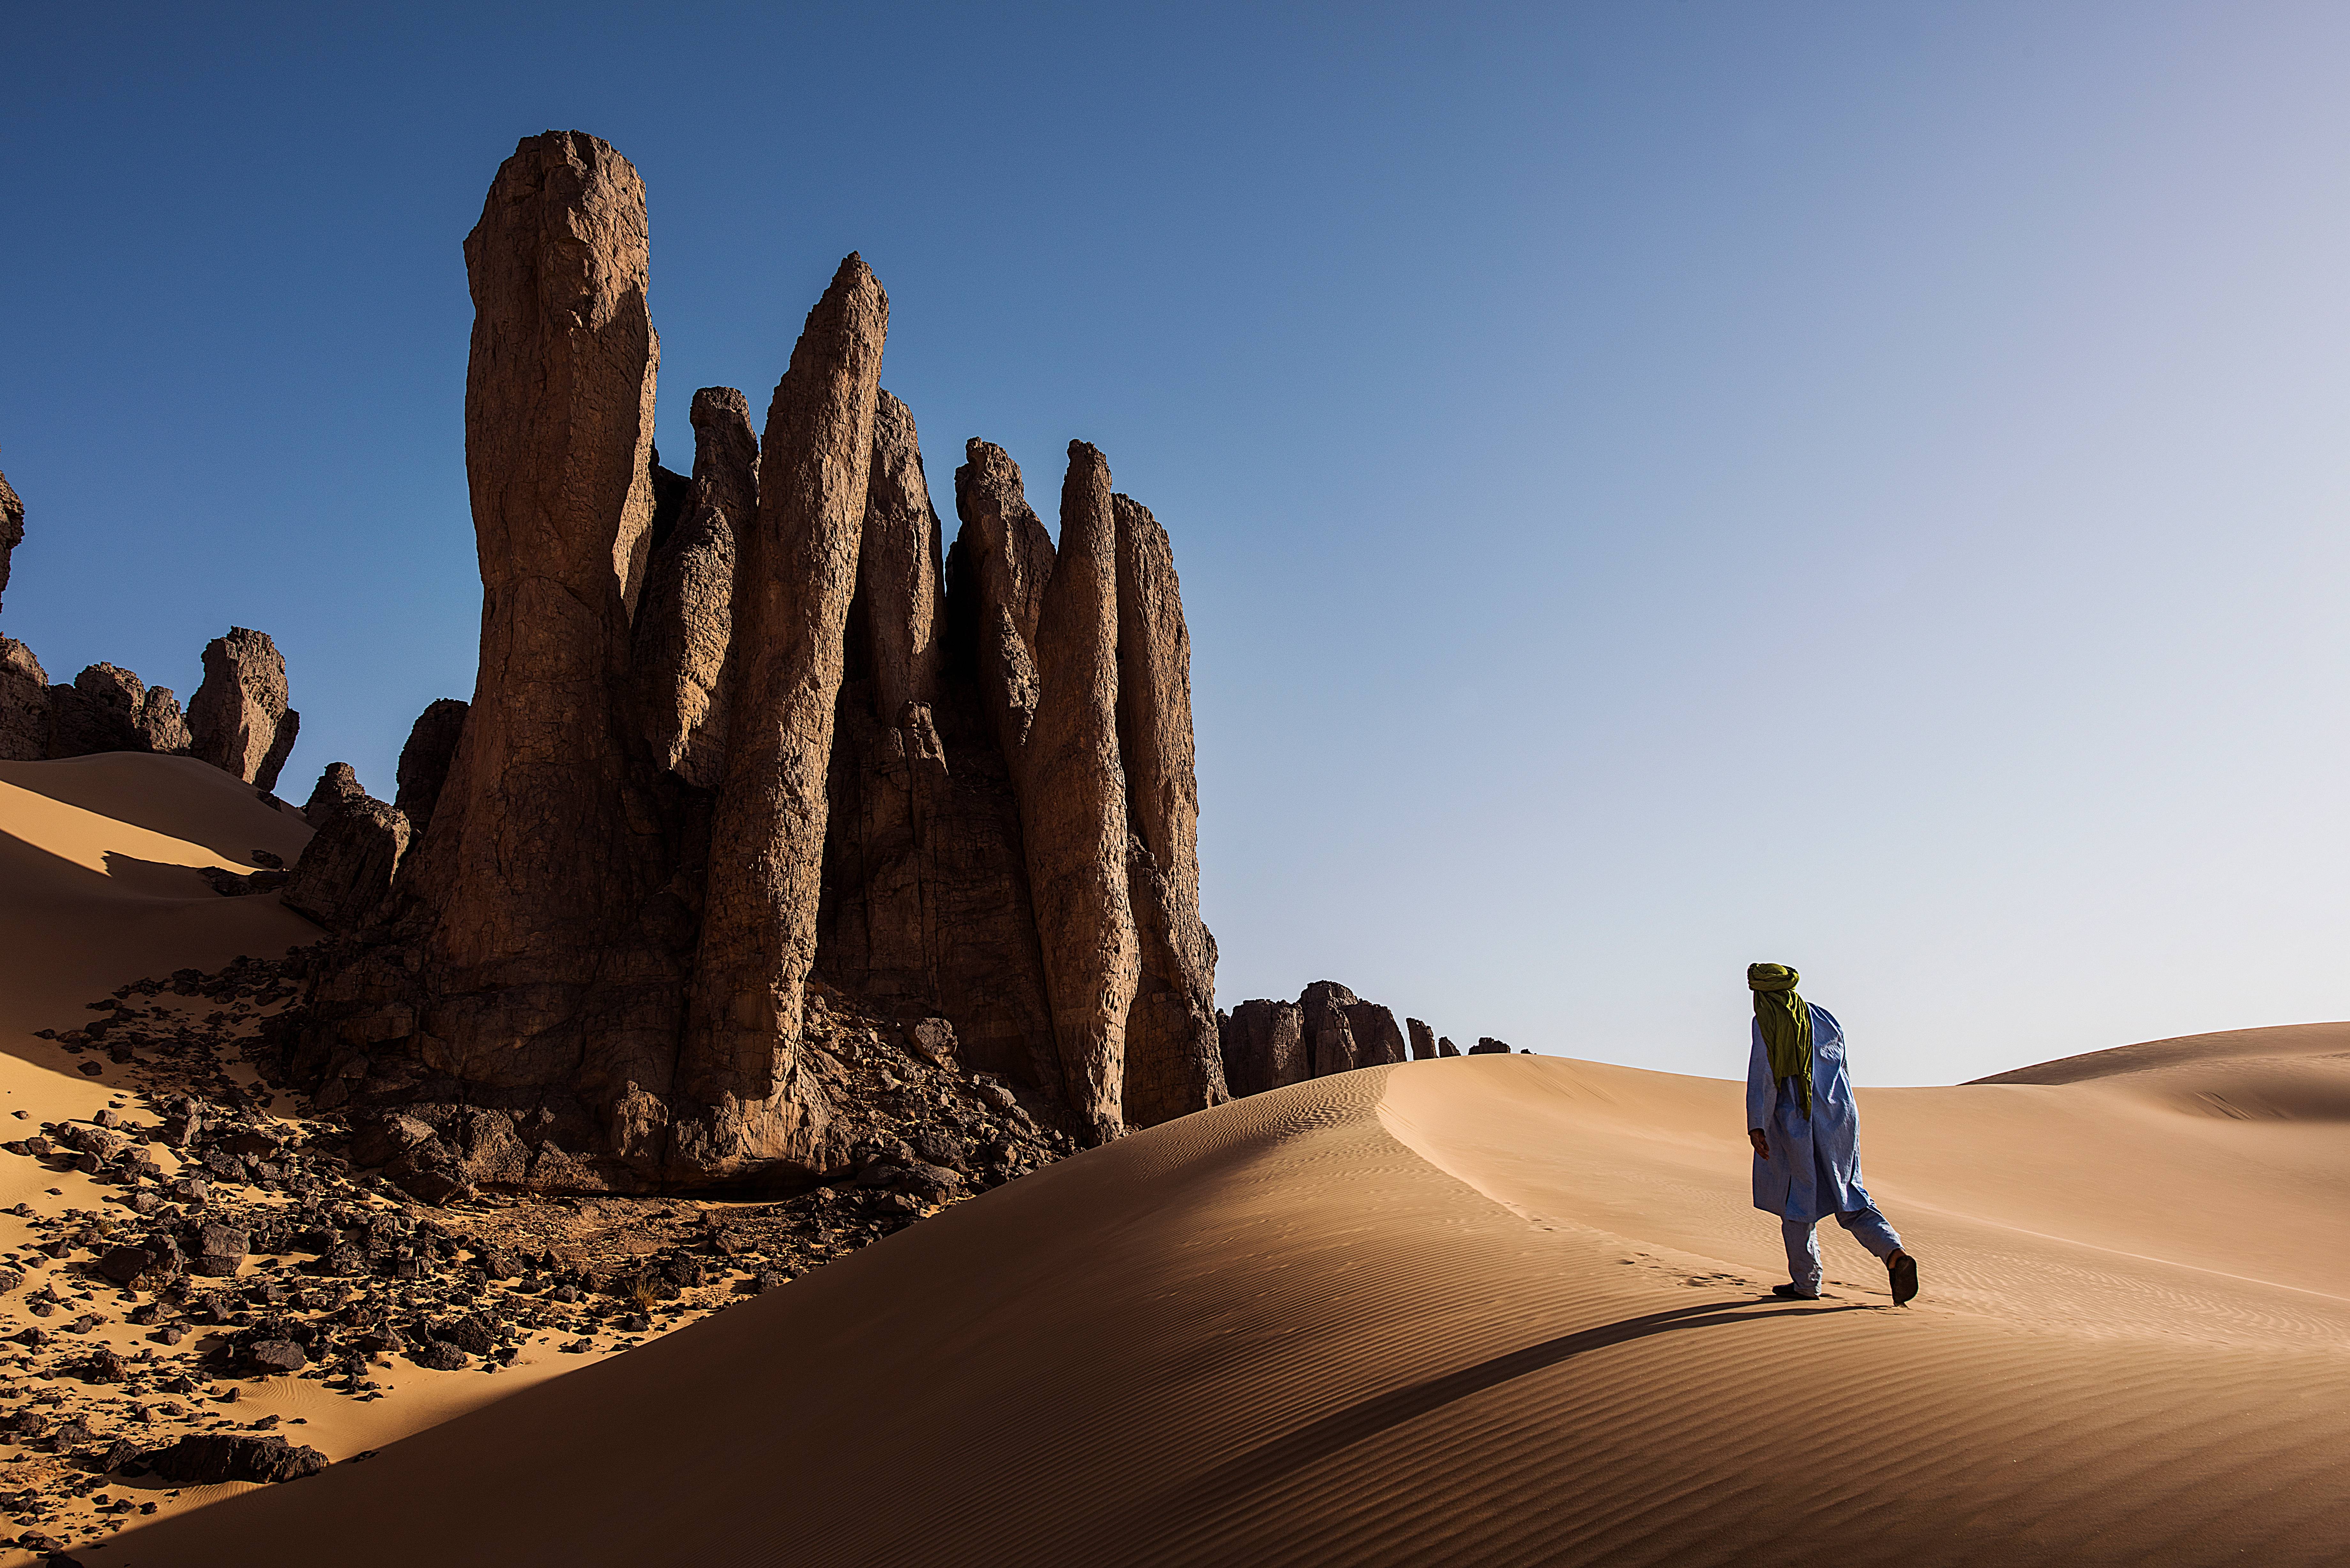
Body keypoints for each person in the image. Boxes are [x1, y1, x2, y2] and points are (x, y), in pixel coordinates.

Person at [1746, 963, 1919, 1306]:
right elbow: (1842, 1071)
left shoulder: (1765, 1022)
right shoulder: (1824, 1018)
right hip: (1838, 1117)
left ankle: (1806, 1284)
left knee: (1797, 1200)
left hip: (1795, 1119)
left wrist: (1757, 1125)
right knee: (1850, 1195)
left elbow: (1764, 1076)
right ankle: (1894, 1254)